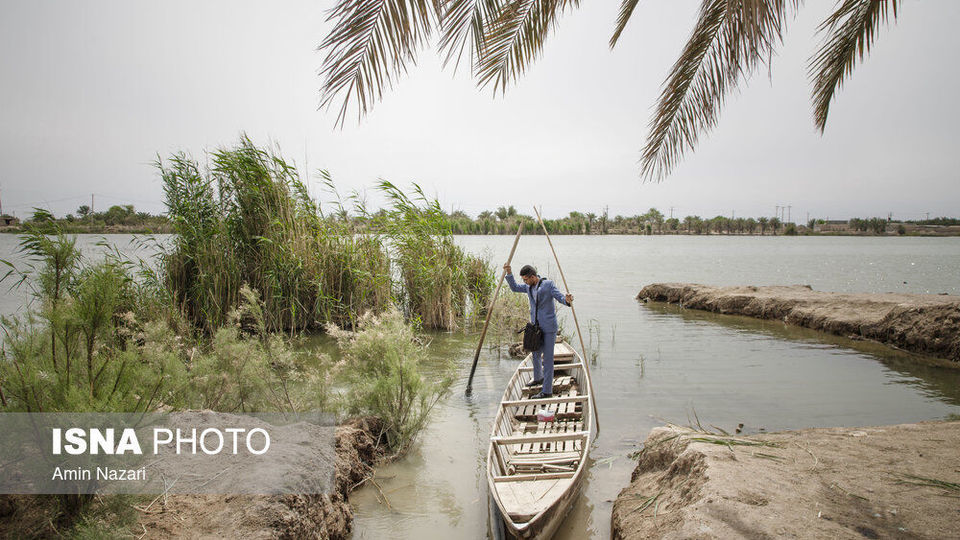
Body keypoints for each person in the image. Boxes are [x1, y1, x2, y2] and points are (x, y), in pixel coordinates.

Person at [504, 263, 573, 399]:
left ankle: (547, 391)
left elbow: (560, 297)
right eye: (523, 280)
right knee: (535, 353)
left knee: (547, 359)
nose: (524, 282)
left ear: (533, 277)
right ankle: (538, 378)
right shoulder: (529, 287)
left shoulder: (548, 285)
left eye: (526, 279)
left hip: (548, 328)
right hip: (536, 328)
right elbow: (514, 287)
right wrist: (509, 272)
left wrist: (567, 300)